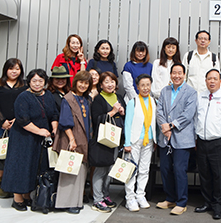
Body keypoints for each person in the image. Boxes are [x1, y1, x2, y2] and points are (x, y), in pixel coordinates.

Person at [1, 69, 59, 211]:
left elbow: (54, 114)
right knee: (21, 167)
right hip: (23, 138)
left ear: (45, 82)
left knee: (34, 167)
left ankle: (27, 196)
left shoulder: (49, 95)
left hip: (40, 139)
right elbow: (22, 119)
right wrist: (40, 131)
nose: (37, 84)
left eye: (40, 81)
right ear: (29, 81)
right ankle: (17, 199)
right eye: (34, 81)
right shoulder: (23, 97)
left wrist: (54, 127)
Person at [194, 69, 221, 220]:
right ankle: (207, 202)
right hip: (202, 141)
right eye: (209, 79)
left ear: (220, 81)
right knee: (204, 174)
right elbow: (196, 119)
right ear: (205, 81)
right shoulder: (201, 96)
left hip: (219, 142)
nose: (212, 81)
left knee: (218, 176)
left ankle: (218, 206)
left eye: (215, 79)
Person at [155, 63, 198, 215]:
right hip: (165, 138)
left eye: (180, 73)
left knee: (179, 170)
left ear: (184, 75)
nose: (177, 76)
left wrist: (171, 126)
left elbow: (188, 114)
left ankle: (181, 202)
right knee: (166, 169)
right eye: (174, 73)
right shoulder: (165, 91)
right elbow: (159, 110)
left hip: (182, 137)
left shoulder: (191, 92)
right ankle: (170, 197)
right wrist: (164, 126)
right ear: (171, 74)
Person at [53, 70, 93, 214]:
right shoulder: (68, 98)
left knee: (81, 172)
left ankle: (76, 202)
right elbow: (65, 121)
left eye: (86, 83)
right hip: (72, 139)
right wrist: (71, 139)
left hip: (84, 139)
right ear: (75, 82)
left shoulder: (87, 99)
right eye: (81, 82)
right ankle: (66, 203)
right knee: (69, 172)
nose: (83, 85)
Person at [0, 58, 27, 198]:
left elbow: (26, 104)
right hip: (1, 126)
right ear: (6, 69)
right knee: (0, 153)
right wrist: (2, 121)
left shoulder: (24, 85)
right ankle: (0, 184)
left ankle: (13, 183)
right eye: (11, 68)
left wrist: (17, 119)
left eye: (17, 68)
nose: (14, 71)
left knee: (16, 154)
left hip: (19, 125)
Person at [90, 71, 125, 213]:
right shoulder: (98, 99)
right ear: (101, 85)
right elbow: (96, 119)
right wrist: (112, 112)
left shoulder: (119, 97)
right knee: (101, 169)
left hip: (117, 138)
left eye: (112, 81)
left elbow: (125, 117)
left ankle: (105, 195)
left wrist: (122, 112)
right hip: (104, 140)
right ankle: (97, 199)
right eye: (106, 82)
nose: (110, 84)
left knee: (110, 169)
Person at [124, 74, 156, 212]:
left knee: (144, 170)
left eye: (148, 85)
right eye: (142, 85)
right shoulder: (133, 102)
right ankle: (129, 198)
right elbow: (127, 123)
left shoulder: (153, 101)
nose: (145, 88)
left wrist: (155, 139)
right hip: (135, 140)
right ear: (137, 87)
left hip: (148, 141)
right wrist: (127, 143)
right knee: (132, 171)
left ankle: (140, 195)